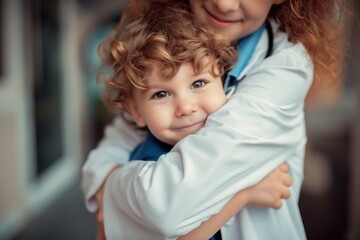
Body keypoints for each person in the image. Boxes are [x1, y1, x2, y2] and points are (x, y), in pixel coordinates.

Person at [82, 0, 346, 239]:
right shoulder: (164, 43)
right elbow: (103, 162)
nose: (224, 3)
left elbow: (164, 208)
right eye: (162, 93)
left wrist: (113, 194)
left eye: (199, 82)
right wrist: (244, 194)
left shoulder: (286, 68)